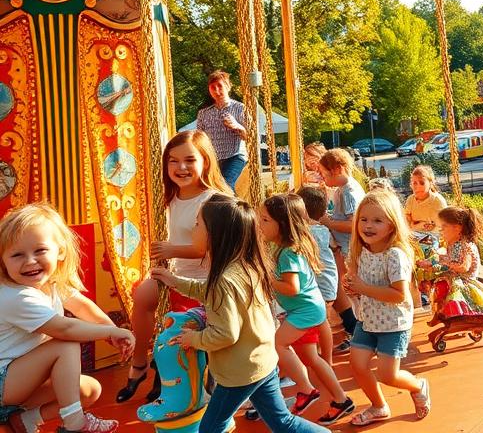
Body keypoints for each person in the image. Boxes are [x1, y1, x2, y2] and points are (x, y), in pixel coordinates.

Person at [150, 194, 329, 433]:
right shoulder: (245, 264)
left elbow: (225, 334)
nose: (192, 230)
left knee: (210, 428)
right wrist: (175, 281)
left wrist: (194, 339)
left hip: (240, 373)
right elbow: (210, 292)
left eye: (197, 225)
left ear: (215, 235)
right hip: (262, 361)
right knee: (281, 422)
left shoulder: (224, 279)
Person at [0, 203, 135, 433]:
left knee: (89, 389)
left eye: (40, 250)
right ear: (3, 260)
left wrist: (109, 329)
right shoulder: (15, 296)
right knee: (65, 343)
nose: (30, 261)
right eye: (17, 254)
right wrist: (112, 333)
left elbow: (83, 307)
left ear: (60, 250)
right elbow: (65, 328)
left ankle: (27, 420)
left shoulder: (52, 283)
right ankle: (74, 424)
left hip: (20, 387)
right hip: (4, 384)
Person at [119, 130, 230, 404]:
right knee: (142, 296)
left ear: (205, 161)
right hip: (176, 274)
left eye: (189, 160)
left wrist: (171, 250)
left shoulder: (213, 201)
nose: (181, 167)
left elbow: (210, 249)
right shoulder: (168, 199)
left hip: (205, 280)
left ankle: (181, 380)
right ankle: (140, 362)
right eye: (173, 161)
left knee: (177, 328)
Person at [259, 194, 353, 422]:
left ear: (281, 225)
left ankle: (305, 388)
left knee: (277, 344)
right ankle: (341, 400)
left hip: (305, 311)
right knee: (312, 358)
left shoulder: (288, 252)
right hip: (305, 309)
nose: (259, 224)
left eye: (264, 220)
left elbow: (292, 287)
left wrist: (266, 277)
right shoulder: (280, 247)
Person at [343, 192, 430, 426]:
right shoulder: (361, 252)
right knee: (358, 365)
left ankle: (417, 385)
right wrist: (354, 289)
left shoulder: (394, 256)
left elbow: (398, 294)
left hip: (393, 323)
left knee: (387, 375)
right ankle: (379, 406)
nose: (368, 226)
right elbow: (362, 286)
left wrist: (363, 287)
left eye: (377, 221)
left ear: (392, 226)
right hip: (368, 319)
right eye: (364, 219)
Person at [419, 206, 483, 326]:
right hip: (454, 277)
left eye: (444, 227)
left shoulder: (465, 245)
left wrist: (440, 264)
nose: (441, 231)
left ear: (457, 228)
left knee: (446, 289)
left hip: (465, 281)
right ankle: (440, 313)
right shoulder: (453, 243)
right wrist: (434, 260)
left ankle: (455, 317)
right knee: (431, 282)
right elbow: (448, 258)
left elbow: (463, 267)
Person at [316, 149, 363, 348]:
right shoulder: (341, 190)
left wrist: (329, 223)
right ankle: (359, 331)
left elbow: (354, 224)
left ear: (338, 169)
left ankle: (363, 332)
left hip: (351, 248)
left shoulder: (349, 192)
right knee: (350, 290)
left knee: (355, 290)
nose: (323, 178)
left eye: (325, 174)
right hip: (345, 248)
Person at [295, 186, 338, 367]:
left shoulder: (303, 232)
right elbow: (334, 246)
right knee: (323, 321)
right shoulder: (323, 229)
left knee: (321, 322)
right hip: (328, 280)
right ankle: (324, 358)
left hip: (319, 283)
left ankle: (323, 359)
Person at [195, 70, 249, 192]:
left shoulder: (240, 108)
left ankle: (232, 210)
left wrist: (237, 126)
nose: (217, 91)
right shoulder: (204, 113)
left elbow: (250, 137)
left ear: (228, 86)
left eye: (220, 86)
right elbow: (199, 139)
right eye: (213, 88)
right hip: (214, 158)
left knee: (226, 184)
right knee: (213, 189)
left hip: (235, 155)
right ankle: (235, 209)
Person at [403, 166, 446, 233]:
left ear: (430, 183)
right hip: (415, 237)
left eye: (422, 183)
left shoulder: (437, 201)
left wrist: (433, 226)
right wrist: (414, 224)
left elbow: (444, 225)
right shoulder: (410, 200)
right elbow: (407, 217)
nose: (418, 186)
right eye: (414, 183)